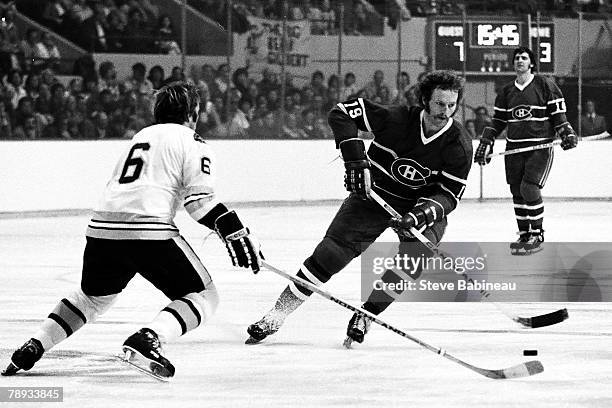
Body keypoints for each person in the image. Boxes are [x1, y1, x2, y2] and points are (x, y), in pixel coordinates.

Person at [2, 82, 263, 379]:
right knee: (203, 295)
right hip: (149, 231)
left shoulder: (142, 136)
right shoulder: (193, 141)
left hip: (101, 230)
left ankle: (35, 345)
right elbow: (199, 203)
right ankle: (149, 337)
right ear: (193, 112)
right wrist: (235, 231)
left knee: (91, 298)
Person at [246, 70, 472, 345]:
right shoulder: (397, 118)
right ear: (425, 100)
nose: (445, 112)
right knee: (330, 255)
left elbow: (449, 195)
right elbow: (341, 113)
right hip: (373, 197)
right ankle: (277, 313)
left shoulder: (459, 144)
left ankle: (366, 314)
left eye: (451, 105)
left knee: (415, 256)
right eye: (439, 104)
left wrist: (421, 214)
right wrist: (355, 161)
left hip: (419, 206)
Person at [474, 46, 578, 255]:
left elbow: (558, 117)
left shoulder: (545, 85)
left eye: (524, 58)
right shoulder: (506, 91)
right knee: (516, 191)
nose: (520, 61)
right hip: (514, 147)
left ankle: (537, 234)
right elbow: (499, 121)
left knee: (529, 187)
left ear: (531, 63)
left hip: (539, 147)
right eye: (517, 58)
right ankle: (524, 234)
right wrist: (488, 141)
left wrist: (566, 132)